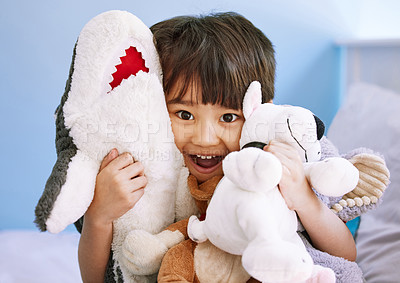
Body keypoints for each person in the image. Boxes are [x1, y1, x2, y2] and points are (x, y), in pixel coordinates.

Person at [77, 12, 356, 282]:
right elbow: (95, 279)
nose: (206, 138)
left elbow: (346, 256)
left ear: (258, 112)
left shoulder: (274, 162)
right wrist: (99, 216)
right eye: (184, 115)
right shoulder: (141, 169)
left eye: (229, 117)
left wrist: (303, 198)